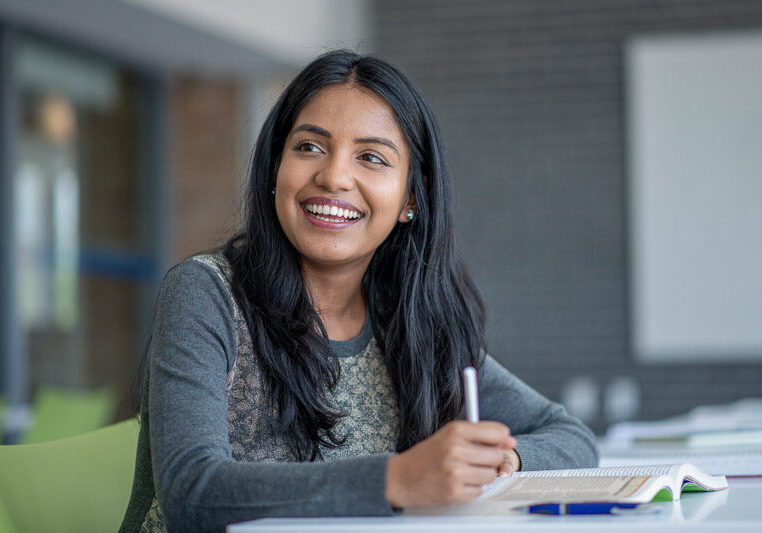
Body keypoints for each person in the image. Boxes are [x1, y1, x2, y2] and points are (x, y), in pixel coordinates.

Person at [120, 50, 598, 533]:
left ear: (411, 197)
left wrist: (503, 460)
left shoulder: (411, 322)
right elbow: (191, 491)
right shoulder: (207, 293)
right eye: (309, 147)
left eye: (371, 157)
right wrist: (398, 479)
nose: (333, 177)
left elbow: (571, 436)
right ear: (274, 168)